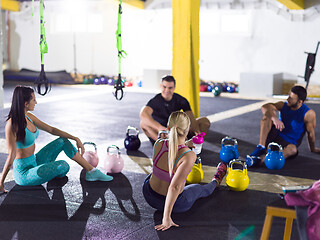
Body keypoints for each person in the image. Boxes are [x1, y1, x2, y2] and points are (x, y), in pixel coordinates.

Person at [0, 86, 113, 193]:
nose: (36, 102)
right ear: (25, 103)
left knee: (62, 141)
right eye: (34, 99)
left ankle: (91, 171)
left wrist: (75, 138)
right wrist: (1, 182)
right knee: (63, 165)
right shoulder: (12, 125)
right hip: (25, 174)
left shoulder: (29, 117)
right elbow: (11, 156)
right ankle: (48, 172)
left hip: (35, 161)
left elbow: (51, 129)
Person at [142, 111, 227, 231]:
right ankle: (216, 180)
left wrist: (186, 144)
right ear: (188, 130)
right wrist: (166, 217)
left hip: (149, 196)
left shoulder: (159, 143)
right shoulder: (189, 155)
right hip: (177, 205)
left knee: (157, 171)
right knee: (199, 189)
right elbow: (174, 187)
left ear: (168, 128)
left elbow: (173, 149)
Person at [246, 85, 320, 167]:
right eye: (288, 96)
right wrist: (274, 118)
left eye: (291, 98)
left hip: (288, 143)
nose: (287, 99)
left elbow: (311, 133)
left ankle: (260, 161)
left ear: (300, 102)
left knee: (293, 149)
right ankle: (261, 147)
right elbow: (265, 107)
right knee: (267, 116)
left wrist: (313, 149)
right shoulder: (283, 105)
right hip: (274, 135)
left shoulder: (308, 114)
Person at [140, 75, 210, 144]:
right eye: (164, 87)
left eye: (170, 88)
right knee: (143, 124)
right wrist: (159, 128)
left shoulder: (181, 100)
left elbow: (190, 117)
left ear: (174, 88)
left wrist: (196, 131)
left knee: (205, 121)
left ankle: (193, 143)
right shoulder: (155, 101)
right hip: (162, 133)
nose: (167, 90)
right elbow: (143, 114)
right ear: (161, 86)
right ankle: (164, 144)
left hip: (177, 130)